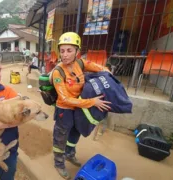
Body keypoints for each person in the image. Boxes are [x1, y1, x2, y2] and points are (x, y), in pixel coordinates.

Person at [51, 32, 111, 179]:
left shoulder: (80, 63)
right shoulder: (58, 72)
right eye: (62, 50)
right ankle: (59, 163)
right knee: (61, 136)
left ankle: (70, 154)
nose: (64, 55)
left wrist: (108, 74)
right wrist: (93, 102)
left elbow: (100, 68)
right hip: (64, 110)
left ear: (77, 52)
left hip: (79, 107)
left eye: (69, 50)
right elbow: (64, 98)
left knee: (75, 132)